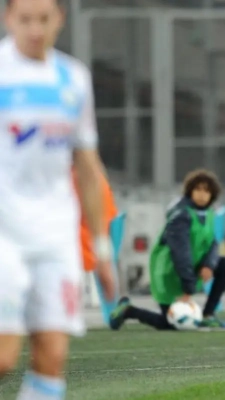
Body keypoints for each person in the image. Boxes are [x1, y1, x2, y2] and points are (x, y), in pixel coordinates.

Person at [0, 0, 116, 398]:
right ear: (8, 18)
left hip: (55, 234)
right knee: (4, 357)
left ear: (60, 20)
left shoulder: (73, 78)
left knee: (51, 357)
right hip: (4, 233)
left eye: (44, 19)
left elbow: (86, 166)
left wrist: (101, 248)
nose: (35, 29)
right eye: (25, 19)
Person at [109, 169, 225, 331]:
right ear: (189, 191)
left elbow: (212, 243)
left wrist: (209, 265)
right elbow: (180, 253)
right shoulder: (180, 215)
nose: (202, 194)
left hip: (191, 267)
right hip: (169, 272)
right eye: (198, 189)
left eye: (207, 190)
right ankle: (128, 310)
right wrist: (188, 289)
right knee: (171, 324)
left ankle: (208, 315)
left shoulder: (209, 213)